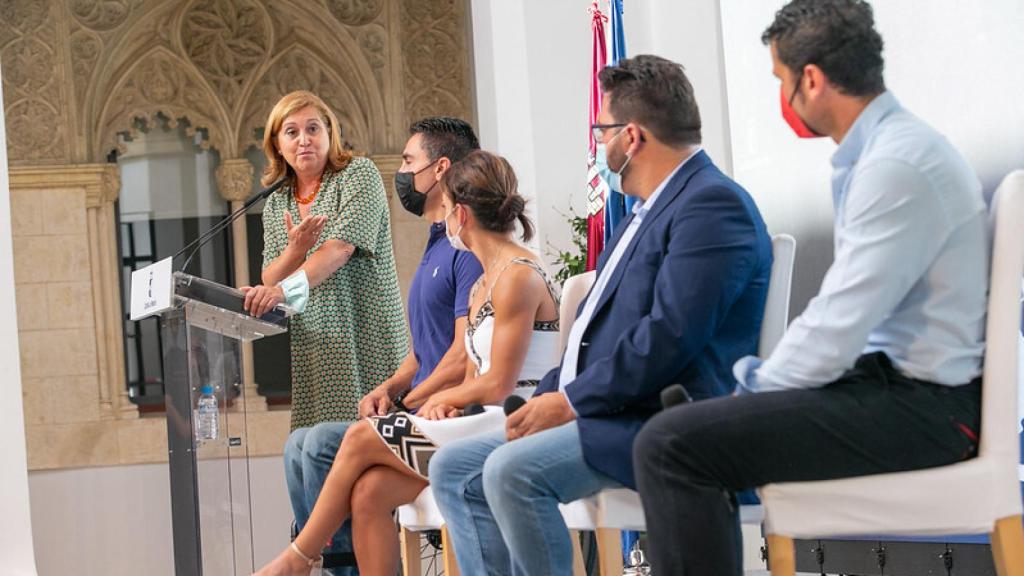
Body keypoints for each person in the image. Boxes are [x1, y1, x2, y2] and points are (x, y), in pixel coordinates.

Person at [633, 2, 989, 574]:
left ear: (814, 80)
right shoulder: (890, 153)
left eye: (781, 80)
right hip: (899, 390)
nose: (784, 97)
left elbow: (837, 327)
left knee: (670, 444)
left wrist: (751, 392)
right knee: (684, 434)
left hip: (927, 410)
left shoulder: (897, 164)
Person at [428, 54, 773, 576]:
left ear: (630, 136)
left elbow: (669, 337)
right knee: (454, 467)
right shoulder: (645, 209)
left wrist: (569, 403)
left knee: (511, 473)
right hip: (608, 408)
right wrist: (544, 398)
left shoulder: (710, 204)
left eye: (600, 130)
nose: (597, 143)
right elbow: (591, 338)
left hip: (661, 417)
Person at [253, 150, 562, 576]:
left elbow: (497, 385)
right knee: (369, 492)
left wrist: (445, 399)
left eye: (448, 208)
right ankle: (305, 558)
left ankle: (300, 557)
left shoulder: (518, 276)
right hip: (476, 420)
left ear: (463, 215)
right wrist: (449, 403)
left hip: (514, 422)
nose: (444, 218)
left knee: (360, 439)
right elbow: (473, 368)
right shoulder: (485, 282)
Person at [277, 117, 483, 574]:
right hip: (420, 410)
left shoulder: (468, 247)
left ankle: (315, 559)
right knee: (299, 443)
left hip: (449, 421)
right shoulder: (437, 243)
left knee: (323, 443)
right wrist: (390, 386)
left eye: (409, 161)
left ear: (440, 169)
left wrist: (414, 399)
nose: (403, 173)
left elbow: (463, 351)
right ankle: (320, 557)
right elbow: (424, 350)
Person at [241, 90, 407, 431]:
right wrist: (295, 250)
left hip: (368, 335)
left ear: (330, 134)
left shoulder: (358, 175)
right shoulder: (277, 201)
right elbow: (270, 277)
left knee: (367, 447)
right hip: (318, 348)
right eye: (292, 132)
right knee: (312, 449)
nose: (304, 140)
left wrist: (281, 291)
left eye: (313, 128)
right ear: (277, 144)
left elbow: (339, 249)